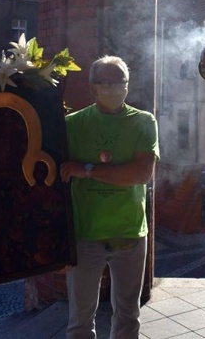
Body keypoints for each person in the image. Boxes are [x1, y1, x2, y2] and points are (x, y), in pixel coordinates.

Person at [60, 55, 159, 339]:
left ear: (127, 86)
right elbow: (54, 180)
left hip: (129, 232)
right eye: (105, 82)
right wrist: (57, 243)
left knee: (128, 317)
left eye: (119, 82)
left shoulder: (143, 121)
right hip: (84, 235)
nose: (113, 87)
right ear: (92, 87)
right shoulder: (71, 125)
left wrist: (86, 170)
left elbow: (141, 174)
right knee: (79, 321)